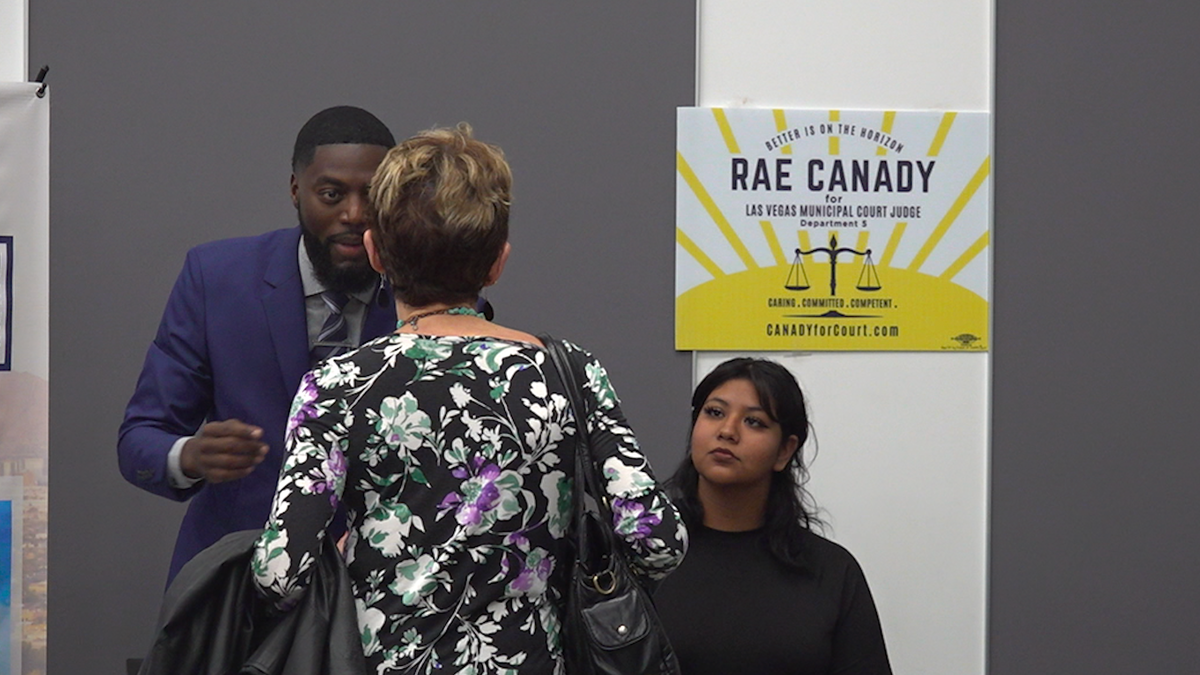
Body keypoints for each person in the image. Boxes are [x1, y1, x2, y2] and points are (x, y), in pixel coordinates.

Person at [249, 124, 687, 674]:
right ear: (498, 263)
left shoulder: (338, 384)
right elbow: (659, 541)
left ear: (375, 252)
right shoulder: (568, 370)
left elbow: (280, 575)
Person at [119, 106, 399, 583]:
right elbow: (139, 439)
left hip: (381, 588)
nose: (354, 214)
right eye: (331, 194)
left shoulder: (426, 292)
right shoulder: (218, 279)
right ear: (296, 189)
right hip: (237, 584)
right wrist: (189, 456)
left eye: (371, 195)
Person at [654, 358, 892, 675]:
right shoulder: (644, 559)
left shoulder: (831, 572)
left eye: (754, 422)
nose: (727, 431)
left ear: (784, 451)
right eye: (714, 413)